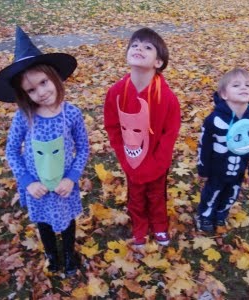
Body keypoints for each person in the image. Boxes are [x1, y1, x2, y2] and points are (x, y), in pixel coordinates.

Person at [0, 26, 89, 276]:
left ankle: (68, 255)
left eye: (43, 83)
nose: (41, 93)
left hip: (64, 185)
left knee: (67, 222)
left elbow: (84, 147)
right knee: (44, 222)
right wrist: (26, 182)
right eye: (31, 90)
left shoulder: (72, 114)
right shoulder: (25, 117)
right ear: (24, 94)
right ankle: (52, 255)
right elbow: (12, 150)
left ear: (54, 77)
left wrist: (72, 178)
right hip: (38, 186)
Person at [104, 27, 181, 247]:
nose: (139, 48)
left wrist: (158, 164)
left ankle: (159, 225)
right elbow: (112, 126)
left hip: (157, 162)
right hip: (131, 157)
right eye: (135, 44)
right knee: (135, 195)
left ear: (158, 62)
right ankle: (139, 226)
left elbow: (170, 133)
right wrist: (123, 155)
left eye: (148, 47)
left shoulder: (167, 98)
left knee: (156, 194)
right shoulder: (116, 92)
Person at [196, 68, 249, 233]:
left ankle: (221, 213)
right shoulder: (214, 120)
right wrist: (202, 169)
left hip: (239, 170)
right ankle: (205, 215)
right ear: (224, 94)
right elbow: (203, 146)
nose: (244, 88)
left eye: (248, 85)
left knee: (231, 194)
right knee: (212, 193)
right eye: (236, 85)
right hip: (216, 170)